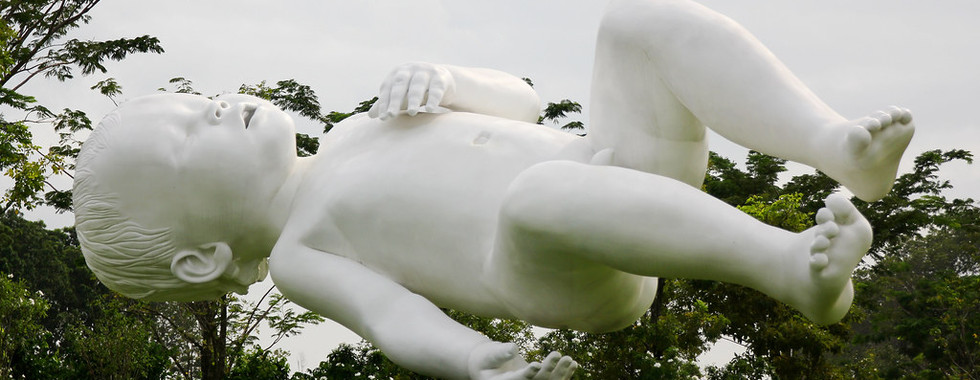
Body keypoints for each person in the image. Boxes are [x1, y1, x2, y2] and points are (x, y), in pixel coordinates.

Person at [73, 0, 914, 378]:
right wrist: (475, 359)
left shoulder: (361, 126)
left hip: (615, 168)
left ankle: (837, 146)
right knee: (538, 195)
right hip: (551, 261)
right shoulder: (302, 251)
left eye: (198, 102)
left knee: (637, 23)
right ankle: (794, 270)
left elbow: (522, 102)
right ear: (203, 257)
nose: (217, 108)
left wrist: (447, 76)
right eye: (191, 136)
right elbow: (394, 318)